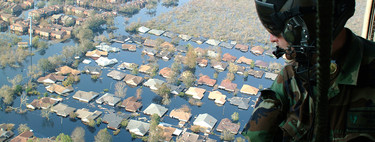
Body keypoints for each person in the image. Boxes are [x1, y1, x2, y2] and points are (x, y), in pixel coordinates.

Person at [242, 0, 375, 141]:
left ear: (306, 26)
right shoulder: (291, 75)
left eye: (276, 28)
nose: (272, 38)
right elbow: (256, 135)